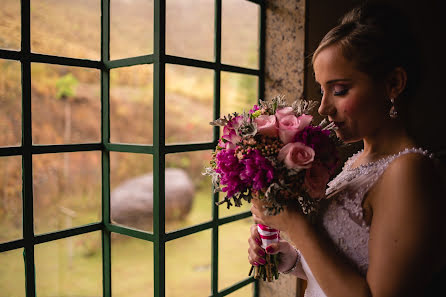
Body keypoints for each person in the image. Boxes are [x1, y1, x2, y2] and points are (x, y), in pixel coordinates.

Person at [248, 2, 446, 297]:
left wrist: (297, 225)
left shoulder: (410, 171)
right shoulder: (357, 161)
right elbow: (347, 267)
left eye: (339, 90)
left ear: (394, 83)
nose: (325, 107)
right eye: (321, 90)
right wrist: (288, 257)